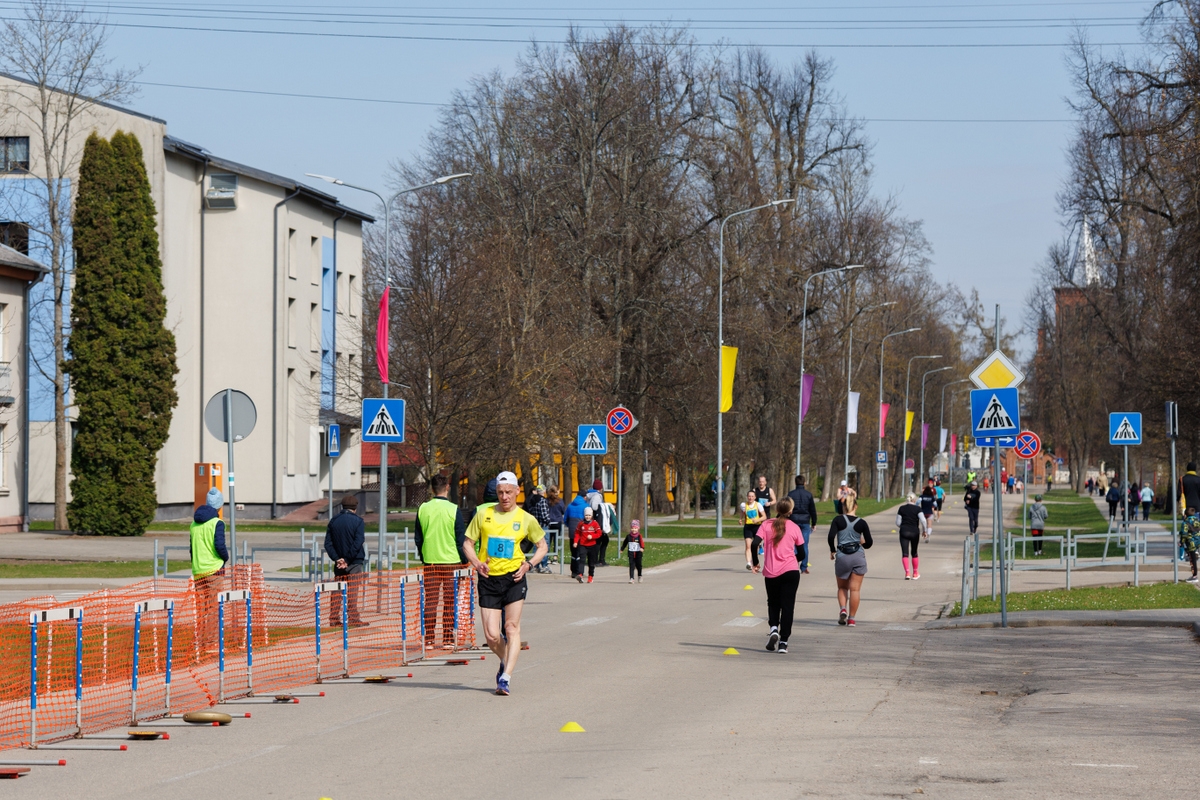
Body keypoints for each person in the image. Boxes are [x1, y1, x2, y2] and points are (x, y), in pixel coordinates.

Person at [462, 470, 547, 696]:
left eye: (509, 492)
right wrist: (477, 563)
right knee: (491, 635)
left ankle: (506, 678)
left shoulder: (526, 519)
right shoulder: (483, 514)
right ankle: (504, 658)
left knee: (511, 627)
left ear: (517, 492)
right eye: (500, 492)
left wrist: (529, 565)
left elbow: (543, 547)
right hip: (488, 577)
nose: (504, 496)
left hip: (514, 578)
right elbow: (468, 544)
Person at [415, 475, 467, 647]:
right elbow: (460, 538)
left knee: (430, 601)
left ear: (432, 489)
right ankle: (447, 639)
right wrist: (465, 560)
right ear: (447, 487)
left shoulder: (423, 508)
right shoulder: (453, 509)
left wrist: (423, 556)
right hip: (451, 561)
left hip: (430, 561)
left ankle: (429, 638)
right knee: (450, 601)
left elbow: (418, 538)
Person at [751, 498, 805, 654]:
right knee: (788, 606)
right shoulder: (794, 527)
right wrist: (792, 560)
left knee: (773, 602)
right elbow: (802, 553)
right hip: (791, 572)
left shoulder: (766, 525)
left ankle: (774, 628)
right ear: (790, 511)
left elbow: (755, 544)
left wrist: (755, 562)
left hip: (771, 572)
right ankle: (783, 642)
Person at [190, 487, 230, 652]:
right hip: (214, 569)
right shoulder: (217, 523)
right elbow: (219, 545)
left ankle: (198, 643)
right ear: (219, 506)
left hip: (198, 570)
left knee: (200, 609)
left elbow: (192, 548)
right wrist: (225, 558)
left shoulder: (193, 524)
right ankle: (211, 643)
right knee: (213, 607)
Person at [828, 496, 872, 627]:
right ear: (856, 506)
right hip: (858, 557)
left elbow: (831, 536)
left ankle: (843, 609)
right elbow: (869, 543)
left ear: (843, 507)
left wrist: (832, 550)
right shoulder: (862, 523)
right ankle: (852, 619)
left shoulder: (838, 520)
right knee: (855, 590)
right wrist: (862, 541)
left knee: (842, 587)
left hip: (842, 556)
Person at [324, 494, 366, 627]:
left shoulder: (333, 521)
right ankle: (353, 617)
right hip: (354, 561)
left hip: (339, 563)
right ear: (355, 507)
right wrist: (347, 559)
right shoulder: (358, 521)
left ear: (342, 506)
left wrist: (337, 559)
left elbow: (328, 544)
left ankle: (334, 618)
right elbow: (358, 541)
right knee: (352, 590)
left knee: (337, 590)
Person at [786, 475, 817, 574]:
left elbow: (787, 507)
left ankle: (794, 564)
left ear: (795, 483)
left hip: (793, 521)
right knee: (804, 545)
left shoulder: (791, 494)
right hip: (805, 521)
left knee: (793, 544)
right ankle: (804, 567)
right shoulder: (808, 494)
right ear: (804, 483)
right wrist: (814, 522)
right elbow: (812, 509)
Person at [895, 493, 928, 580]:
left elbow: (898, 522)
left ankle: (907, 573)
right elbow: (924, 521)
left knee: (905, 553)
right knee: (914, 552)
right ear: (914, 500)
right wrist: (925, 531)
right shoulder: (918, 509)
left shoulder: (901, 508)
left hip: (904, 531)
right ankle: (915, 573)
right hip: (914, 532)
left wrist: (903, 526)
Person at [572, 507, 604, 583]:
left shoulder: (595, 524)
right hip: (583, 545)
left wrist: (592, 536)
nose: (588, 517)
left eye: (589, 515)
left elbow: (599, 533)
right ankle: (580, 575)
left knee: (591, 562)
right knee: (582, 560)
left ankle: (590, 576)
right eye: (586, 515)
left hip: (592, 545)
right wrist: (576, 542)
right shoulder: (581, 523)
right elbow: (577, 533)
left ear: (591, 516)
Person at [740, 489, 767, 572]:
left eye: (752, 496)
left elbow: (764, 517)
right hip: (748, 527)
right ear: (747, 497)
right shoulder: (743, 505)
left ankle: (754, 562)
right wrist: (740, 519)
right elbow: (742, 512)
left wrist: (757, 519)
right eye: (749, 496)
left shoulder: (758, 505)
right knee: (748, 545)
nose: (750, 498)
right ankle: (748, 563)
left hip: (757, 527)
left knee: (755, 545)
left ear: (755, 497)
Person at [585, 479, 609, 566]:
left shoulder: (589, 495)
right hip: (597, 520)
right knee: (600, 540)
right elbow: (595, 507)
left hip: (592, 520)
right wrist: (602, 506)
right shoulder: (597, 496)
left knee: (601, 540)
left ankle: (598, 560)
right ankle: (597, 560)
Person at [542, 486, 566, 573]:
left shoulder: (546, 500)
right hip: (557, 522)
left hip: (549, 522)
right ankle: (555, 557)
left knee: (548, 540)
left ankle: (547, 557)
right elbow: (563, 510)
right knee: (556, 540)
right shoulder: (560, 501)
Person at [620, 519, 645, 583]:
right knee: (631, 565)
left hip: (638, 553)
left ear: (638, 528)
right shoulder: (628, 536)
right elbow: (625, 543)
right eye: (632, 528)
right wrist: (622, 549)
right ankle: (631, 578)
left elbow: (642, 542)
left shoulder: (639, 536)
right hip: (631, 553)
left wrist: (642, 548)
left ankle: (640, 575)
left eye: (635, 528)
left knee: (638, 565)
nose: (634, 530)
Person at [1181, 508, 1200, 583]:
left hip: (1191, 542)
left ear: (1185, 514)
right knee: (1193, 558)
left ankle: (1194, 576)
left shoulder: (1185, 522)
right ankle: (1196, 552)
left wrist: (1181, 542)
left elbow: (1184, 534)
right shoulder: (1197, 521)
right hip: (1197, 542)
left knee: (1192, 560)